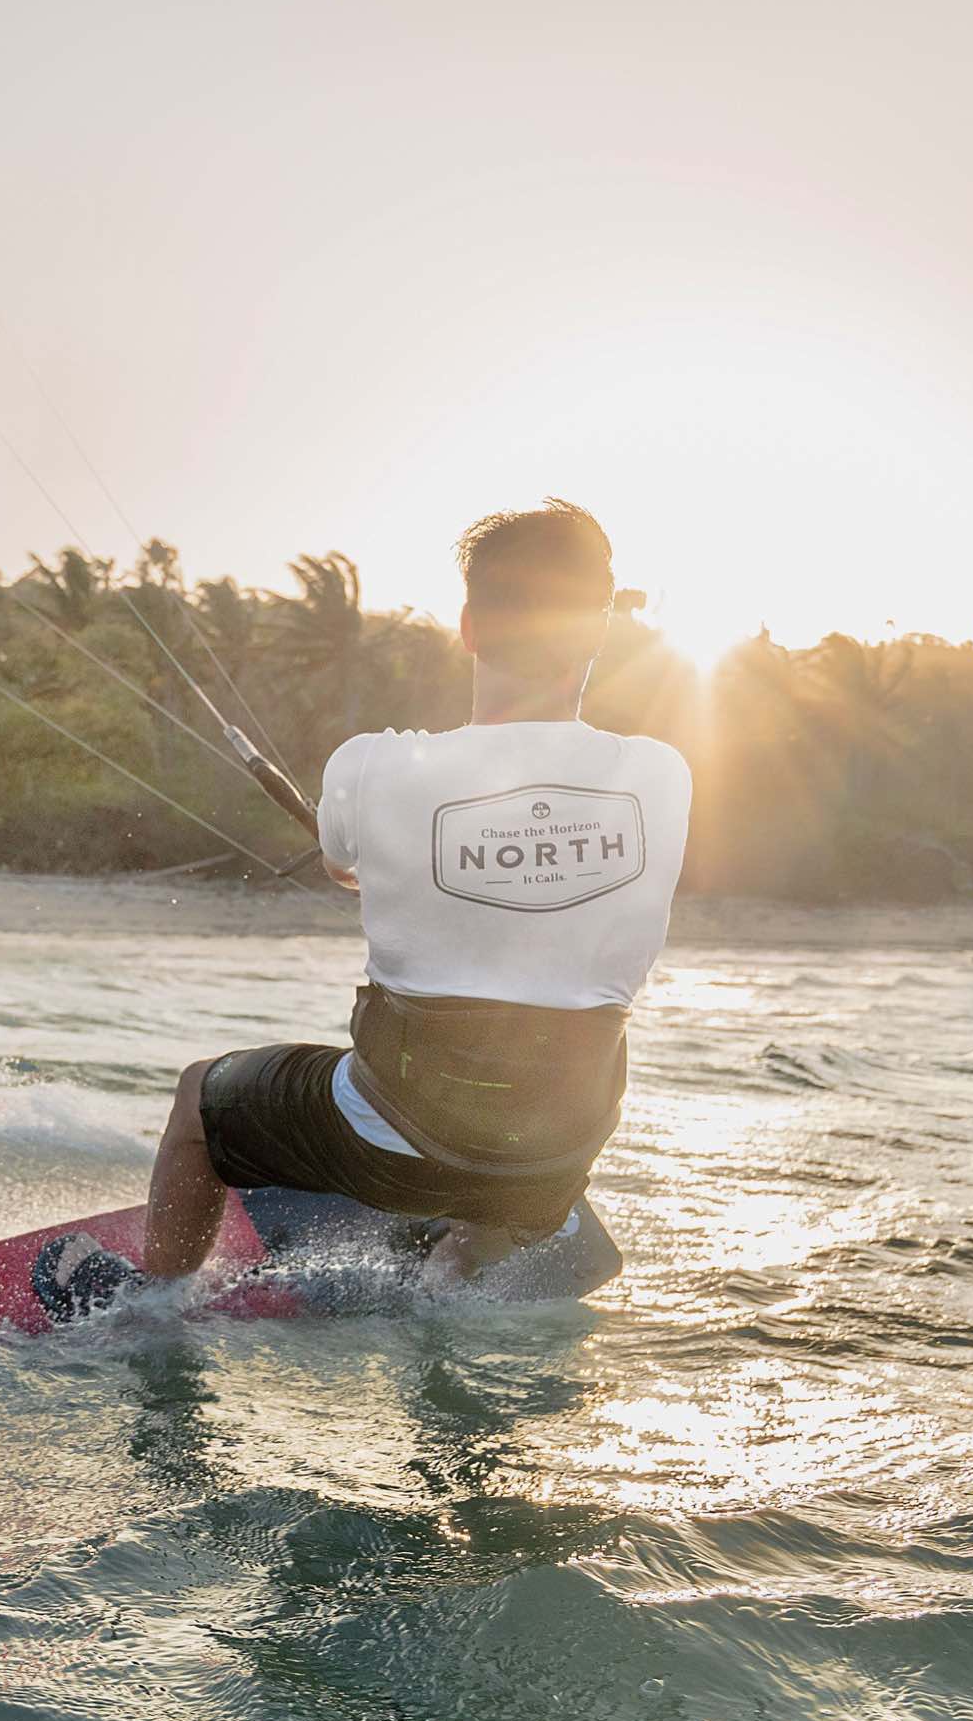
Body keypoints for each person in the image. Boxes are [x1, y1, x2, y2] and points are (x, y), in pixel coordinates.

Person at [36, 501, 692, 1318]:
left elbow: (346, 866)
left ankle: (155, 1302)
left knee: (200, 1098)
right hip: (553, 1164)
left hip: (399, 1145)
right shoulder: (663, 777)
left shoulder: (373, 767)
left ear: (469, 628)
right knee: (518, 1103)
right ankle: (464, 1254)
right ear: (597, 631)